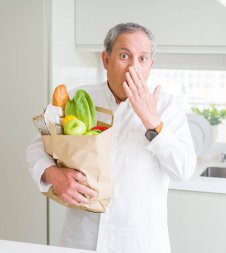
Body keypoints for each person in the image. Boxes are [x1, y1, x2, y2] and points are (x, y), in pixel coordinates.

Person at [26, 22, 197, 253]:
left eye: (143, 59)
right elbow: (37, 147)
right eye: (124, 56)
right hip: (81, 238)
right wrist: (53, 174)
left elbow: (184, 170)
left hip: (139, 243)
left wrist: (152, 121)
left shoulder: (167, 108)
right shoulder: (79, 97)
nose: (133, 68)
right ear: (106, 60)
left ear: (150, 65)